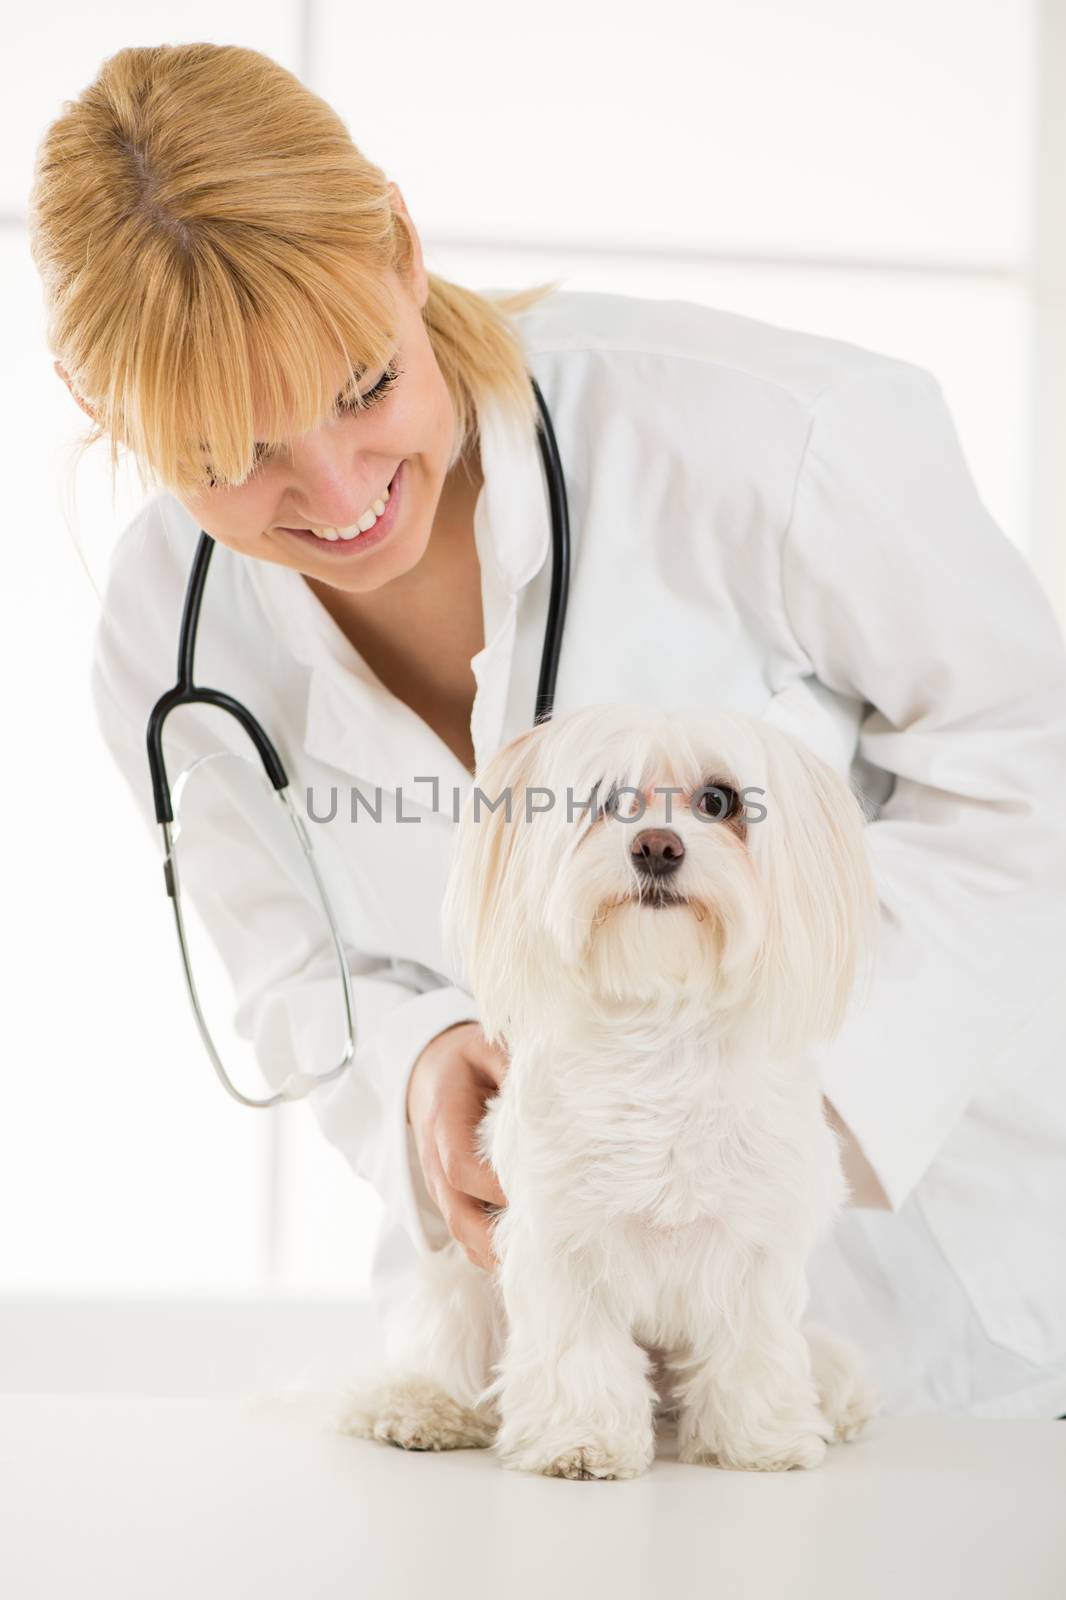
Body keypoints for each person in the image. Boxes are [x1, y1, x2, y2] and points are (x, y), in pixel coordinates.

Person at [29, 42, 1066, 1418]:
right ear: (106, 413)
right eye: (229, 458)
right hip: (546, 1332)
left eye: (359, 388)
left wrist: (779, 1104)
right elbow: (292, 975)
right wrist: (417, 1076)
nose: (340, 498)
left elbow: (1024, 755)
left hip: (931, 1311)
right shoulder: (167, 631)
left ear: (400, 246)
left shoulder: (760, 437)